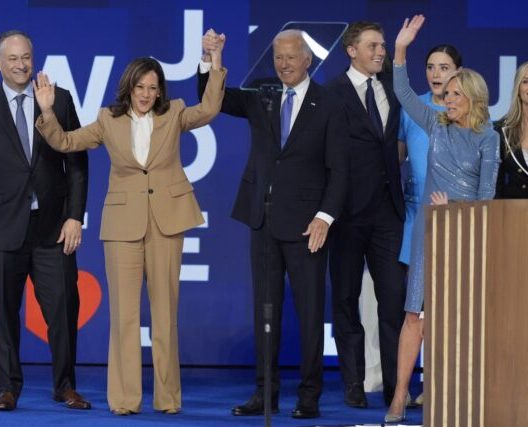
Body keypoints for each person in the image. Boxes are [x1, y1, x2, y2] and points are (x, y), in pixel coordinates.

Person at [33, 32, 226, 416]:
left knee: (165, 314)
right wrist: (48, 111)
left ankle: (168, 399)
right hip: (122, 226)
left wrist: (213, 60)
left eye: (153, 87)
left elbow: (208, 110)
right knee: (123, 316)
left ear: (160, 91)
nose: (146, 93)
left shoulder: (173, 114)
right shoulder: (108, 119)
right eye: (141, 86)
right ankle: (124, 400)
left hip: (167, 223)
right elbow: (66, 142)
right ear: (129, 86)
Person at [199, 29, 348, 419]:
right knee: (266, 311)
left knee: (311, 313)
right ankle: (265, 394)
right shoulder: (263, 95)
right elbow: (214, 100)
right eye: (278, 57)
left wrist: (325, 216)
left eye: (290, 57)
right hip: (262, 219)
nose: (282, 64)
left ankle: (309, 396)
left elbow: (340, 169)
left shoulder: (328, 103)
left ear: (307, 60)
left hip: (307, 226)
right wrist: (210, 59)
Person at [0, 30, 90, 411]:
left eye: (26, 56)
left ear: (34, 59)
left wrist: (74, 217)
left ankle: (65, 386)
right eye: (12, 58)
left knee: (64, 310)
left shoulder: (58, 101)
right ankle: (8, 388)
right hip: (1, 230)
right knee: (3, 313)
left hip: (52, 229)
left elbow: (77, 164)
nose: (21, 64)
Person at [386, 15, 499, 422]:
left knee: (458, 317)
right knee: (414, 313)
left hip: (465, 234)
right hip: (428, 232)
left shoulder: (488, 138)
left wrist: (455, 213)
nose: (446, 100)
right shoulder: (434, 124)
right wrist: (401, 47)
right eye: (445, 93)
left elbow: (487, 197)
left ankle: (449, 394)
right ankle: (400, 394)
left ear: (473, 97)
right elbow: (401, 89)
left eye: (454, 94)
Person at [325, 21, 406, 408]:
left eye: (384, 45)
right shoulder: (331, 94)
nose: (381, 51)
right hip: (346, 215)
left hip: (389, 214)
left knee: (394, 302)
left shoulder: (391, 86)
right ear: (351, 50)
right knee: (345, 300)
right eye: (373, 45)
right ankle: (353, 384)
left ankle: (395, 387)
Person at [397, 44, 462, 408]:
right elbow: (398, 158)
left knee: (446, 308)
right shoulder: (415, 109)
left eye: (445, 67)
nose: (436, 74)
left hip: (454, 221)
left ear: (459, 72)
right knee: (413, 306)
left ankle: (436, 384)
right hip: (414, 217)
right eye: (431, 67)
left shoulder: (466, 114)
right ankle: (401, 387)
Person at [495, 61, 528, 199]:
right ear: (518, 88)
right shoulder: (502, 129)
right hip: (514, 212)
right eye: (526, 82)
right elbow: (497, 182)